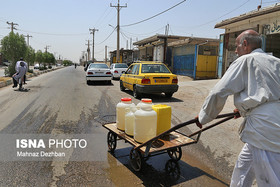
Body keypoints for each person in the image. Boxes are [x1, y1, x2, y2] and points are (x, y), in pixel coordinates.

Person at [196, 30, 280, 186]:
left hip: (265, 131)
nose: (235, 51)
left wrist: (203, 117)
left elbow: (218, 92)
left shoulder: (245, 60)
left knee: (270, 180)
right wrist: (244, 110)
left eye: (236, 46)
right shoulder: (276, 61)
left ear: (246, 45)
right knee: (243, 168)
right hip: (268, 126)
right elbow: (266, 94)